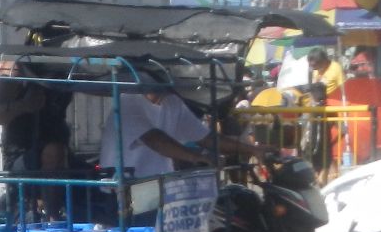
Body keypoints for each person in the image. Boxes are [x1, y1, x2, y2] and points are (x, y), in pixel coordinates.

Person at [98, 85, 264, 221]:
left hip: (159, 190)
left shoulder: (172, 103)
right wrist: (197, 157)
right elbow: (156, 139)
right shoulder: (128, 102)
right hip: (126, 192)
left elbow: (206, 137)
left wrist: (252, 149)